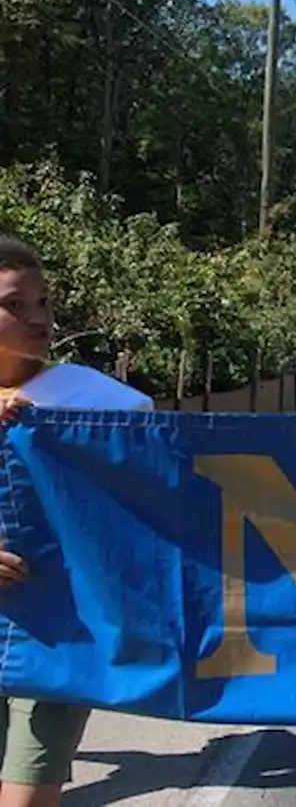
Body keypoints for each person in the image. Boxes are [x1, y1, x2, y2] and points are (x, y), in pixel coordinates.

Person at [0, 234, 152, 807]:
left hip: (56, 630)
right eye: (16, 304)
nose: (38, 317)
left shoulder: (96, 403)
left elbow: (163, 488)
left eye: (43, 302)